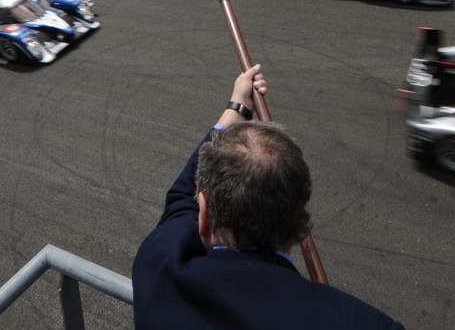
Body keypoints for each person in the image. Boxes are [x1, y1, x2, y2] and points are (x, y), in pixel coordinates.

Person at [133, 63, 404, 330]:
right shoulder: (355, 321)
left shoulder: (159, 263)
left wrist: (237, 107)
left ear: (203, 215)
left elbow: (182, 199)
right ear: (300, 225)